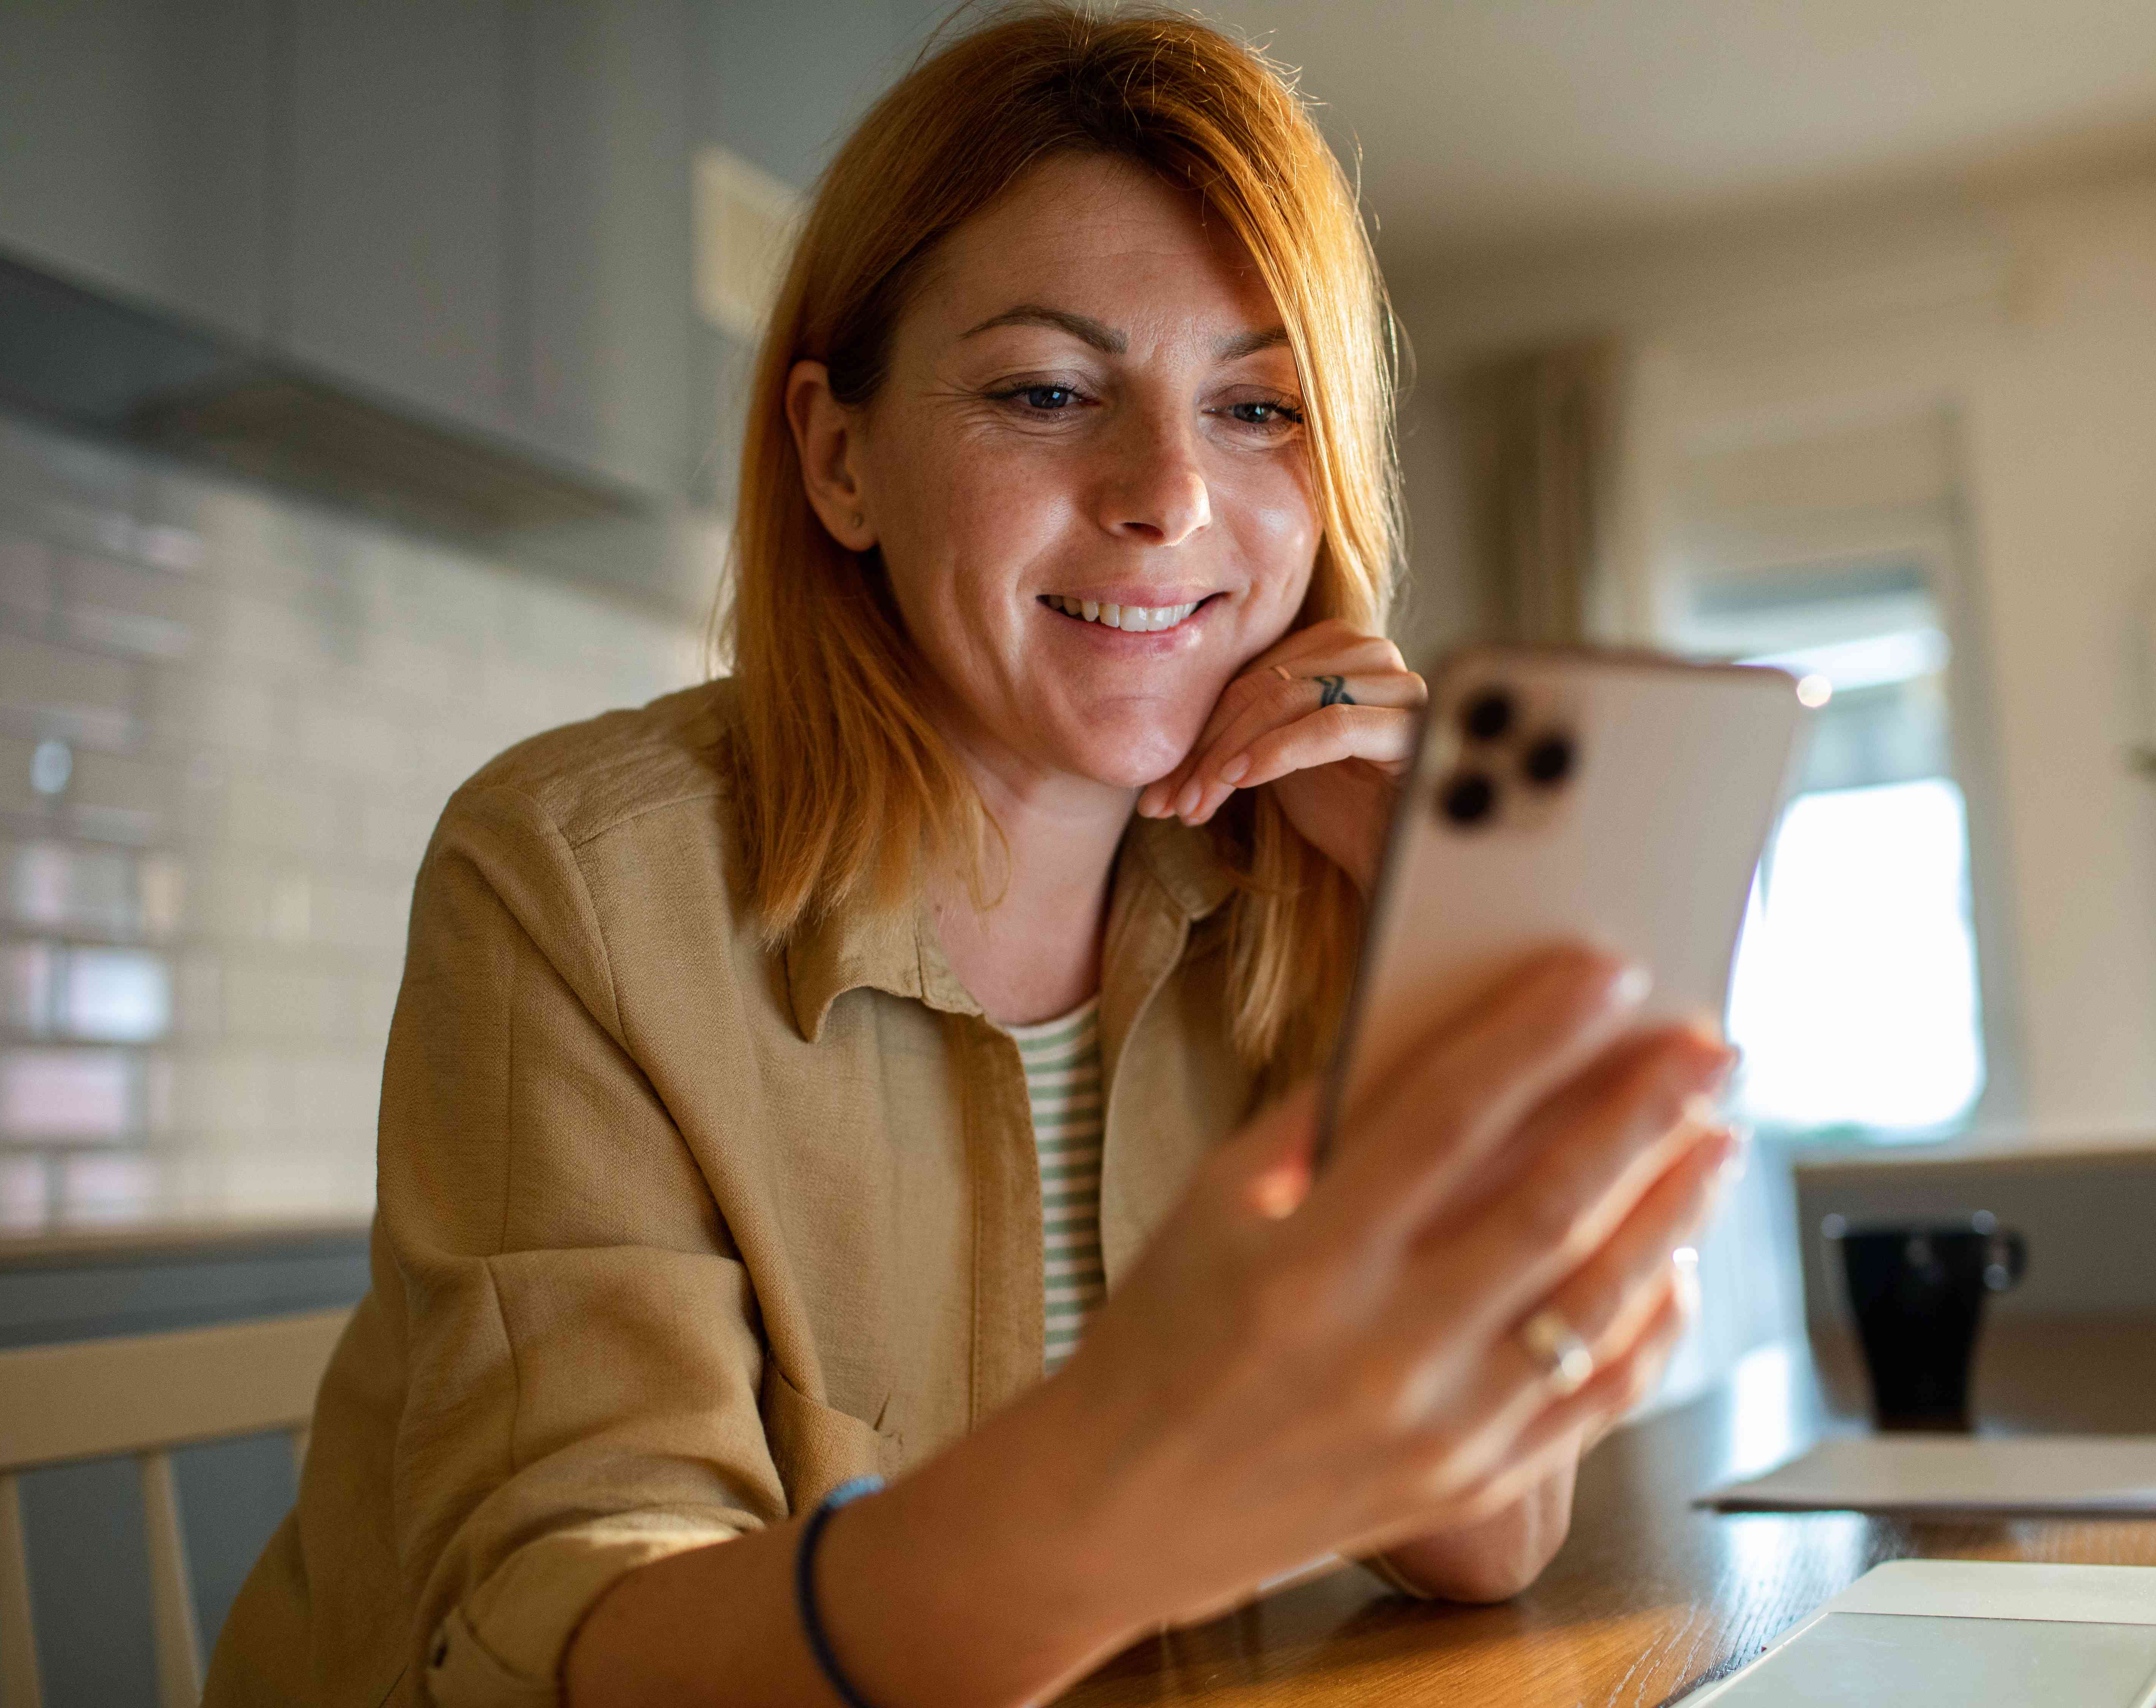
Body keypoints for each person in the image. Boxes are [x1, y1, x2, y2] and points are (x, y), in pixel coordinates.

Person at [205, 8, 1737, 1706]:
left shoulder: (1298, 887)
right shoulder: (576, 878)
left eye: (1256, 406)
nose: (1168, 494)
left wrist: (1431, 932)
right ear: (839, 455)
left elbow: (1490, 1537)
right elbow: (575, 1646)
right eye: (1050, 390)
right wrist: (1124, 1499)